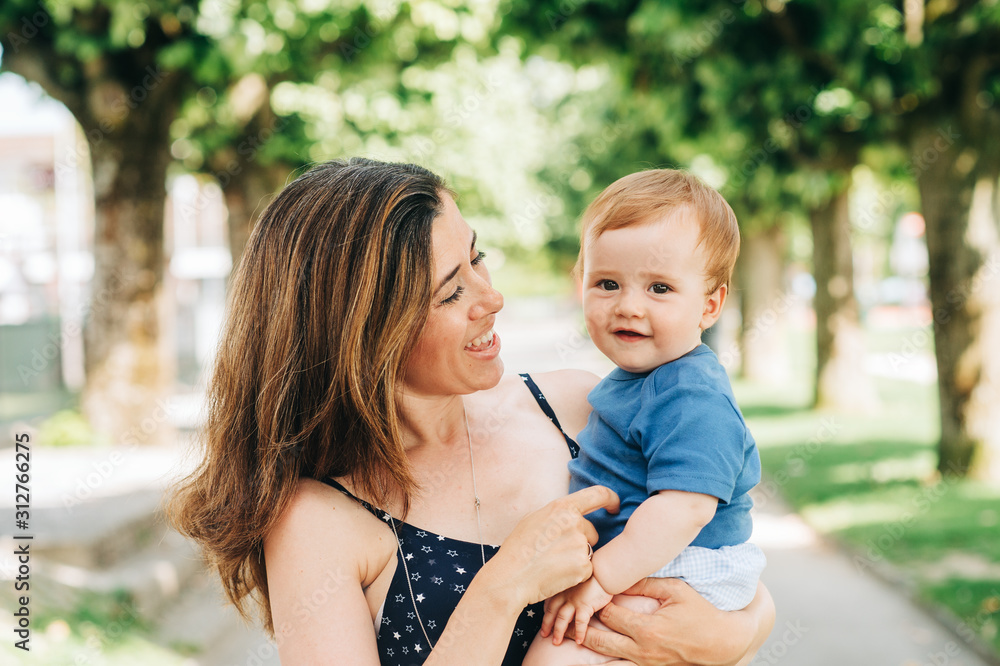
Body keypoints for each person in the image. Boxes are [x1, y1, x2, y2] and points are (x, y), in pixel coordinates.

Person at [169, 158, 775, 665]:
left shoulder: (573, 407)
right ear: (364, 333)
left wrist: (733, 635)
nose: (493, 298)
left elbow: (720, 561)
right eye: (452, 290)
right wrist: (505, 585)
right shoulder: (318, 518)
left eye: (478, 258)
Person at [525, 170, 766, 665]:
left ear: (710, 304)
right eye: (607, 283)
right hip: (653, 554)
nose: (628, 307)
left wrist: (600, 580)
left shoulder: (690, 393)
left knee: (560, 655)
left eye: (659, 288)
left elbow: (684, 509)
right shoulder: (643, 380)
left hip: (682, 562)